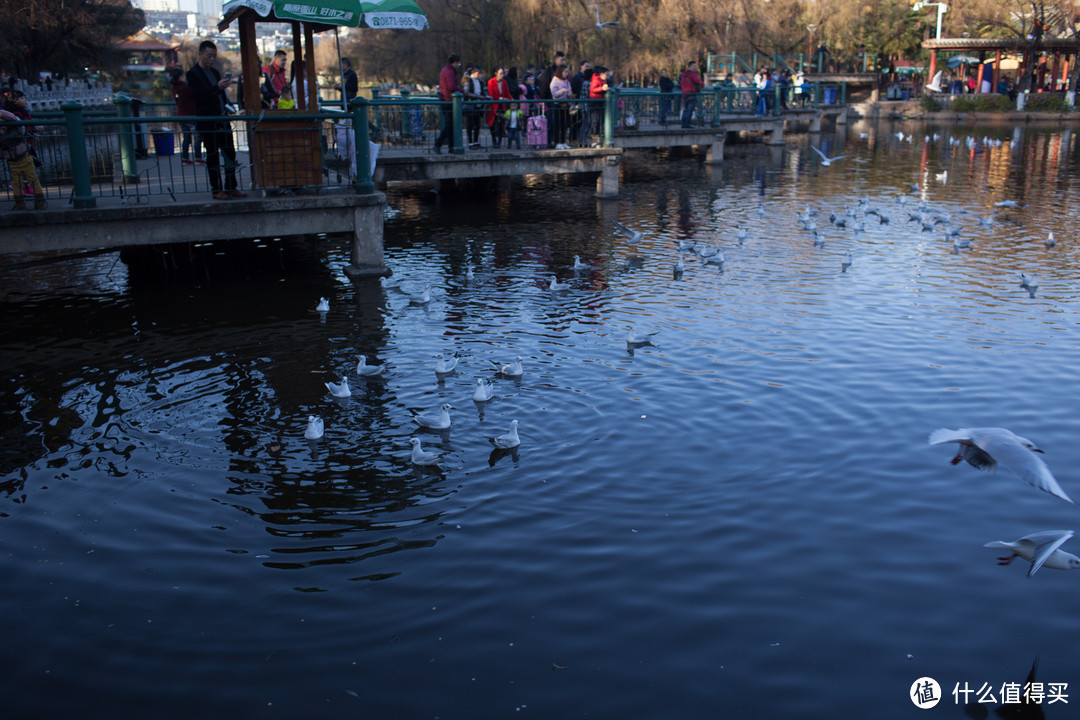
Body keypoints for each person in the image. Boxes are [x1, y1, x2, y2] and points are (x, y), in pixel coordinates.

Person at [186, 40, 246, 200]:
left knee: (230, 153)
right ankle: (217, 188)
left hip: (222, 118)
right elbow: (199, 95)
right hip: (208, 119)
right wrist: (217, 88)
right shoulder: (193, 74)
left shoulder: (215, 72)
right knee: (212, 155)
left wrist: (229, 106)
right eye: (209, 56)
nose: (212, 59)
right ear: (200, 54)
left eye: (214, 56)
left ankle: (231, 186)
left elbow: (221, 95)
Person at [1, 106, 45, 209]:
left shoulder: (7, 117)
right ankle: (20, 202)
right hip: (12, 158)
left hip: (22, 155)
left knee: (32, 178)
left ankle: (39, 199)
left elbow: (12, 117)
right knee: (17, 181)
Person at [169, 68, 203, 166]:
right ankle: (198, 157)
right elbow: (196, 97)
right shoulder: (186, 88)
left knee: (186, 137)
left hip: (180, 115)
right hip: (190, 115)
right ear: (181, 76)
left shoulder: (174, 88)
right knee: (197, 136)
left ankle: (185, 158)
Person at [433, 54, 463, 154]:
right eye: (458, 62)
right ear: (455, 62)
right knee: (450, 125)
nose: (459, 64)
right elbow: (451, 87)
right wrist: (462, 91)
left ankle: (451, 146)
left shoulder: (446, 70)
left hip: (445, 99)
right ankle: (438, 144)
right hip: (448, 100)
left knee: (450, 125)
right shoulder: (450, 72)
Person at [486, 66, 511, 148]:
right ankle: (494, 140)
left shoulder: (504, 82)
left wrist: (512, 100)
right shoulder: (491, 82)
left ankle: (499, 141)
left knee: (501, 123)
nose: (502, 75)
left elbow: (507, 92)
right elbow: (491, 94)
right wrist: (501, 98)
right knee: (493, 123)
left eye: (503, 73)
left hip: (501, 106)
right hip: (494, 106)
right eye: (500, 73)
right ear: (496, 73)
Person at [549, 65, 572, 149]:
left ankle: (563, 141)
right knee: (557, 124)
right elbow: (554, 94)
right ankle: (557, 142)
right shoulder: (555, 81)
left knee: (564, 124)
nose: (566, 74)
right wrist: (562, 91)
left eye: (567, 72)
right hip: (557, 105)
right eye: (565, 72)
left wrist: (570, 97)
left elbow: (570, 90)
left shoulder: (566, 82)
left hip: (565, 105)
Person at [463, 65, 485, 149]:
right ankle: (470, 142)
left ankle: (476, 141)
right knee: (470, 124)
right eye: (478, 73)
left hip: (478, 105)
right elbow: (466, 92)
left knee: (477, 124)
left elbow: (481, 92)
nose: (480, 75)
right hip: (470, 105)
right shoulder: (468, 80)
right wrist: (478, 97)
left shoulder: (480, 82)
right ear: (474, 72)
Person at [679, 60, 703, 128]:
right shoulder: (693, 74)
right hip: (692, 93)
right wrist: (703, 85)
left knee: (685, 109)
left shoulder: (684, 75)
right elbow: (698, 81)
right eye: (694, 66)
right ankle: (687, 123)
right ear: (690, 66)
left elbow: (681, 84)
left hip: (685, 94)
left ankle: (683, 123)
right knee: (690, 109)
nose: (695, 67)